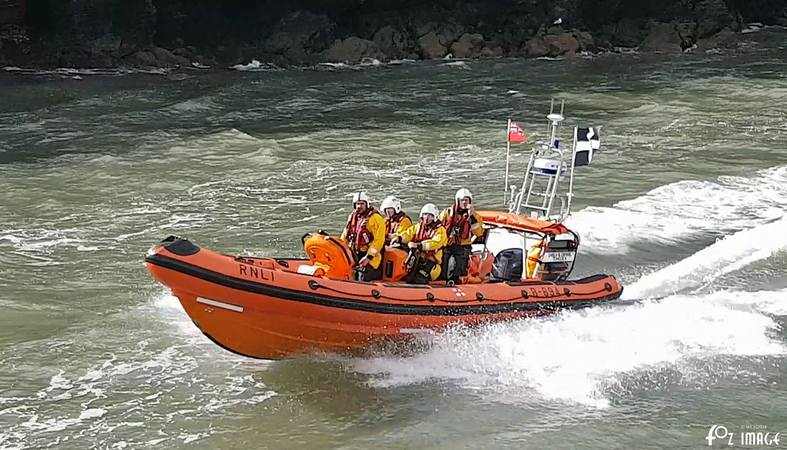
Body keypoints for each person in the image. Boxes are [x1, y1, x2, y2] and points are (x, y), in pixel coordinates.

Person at [391, 203, 447, 284]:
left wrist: (419, 245)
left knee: (419, 279)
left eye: (430, 215)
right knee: (406, 275)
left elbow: (436, 243)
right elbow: (408, 234)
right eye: (425, 215)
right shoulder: (418, 227)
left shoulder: (440, 230)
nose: (427, 218)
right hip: (417, 259)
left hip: (431, 263)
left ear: (435, 217)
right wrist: (399, 238)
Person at [439, 188, 484, 285]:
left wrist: (472, 217)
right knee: (444, 268)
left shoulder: (475, 216)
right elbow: (438, 228)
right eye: (462, 200)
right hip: (448, 244)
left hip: (463, 246)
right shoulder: (447, 212)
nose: (464, 202)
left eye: (466, 200)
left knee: (458, 269)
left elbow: (479, 233)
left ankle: (458, 282)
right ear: (457, 201)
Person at [340, 191, 386, 281]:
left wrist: (368, 257)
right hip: (355, 253)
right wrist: (341, 248)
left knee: (362, 278)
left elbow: (379, 241)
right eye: (357, 204)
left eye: (362, 204)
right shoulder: (352, 217)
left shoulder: (375, 219)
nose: (359, 206)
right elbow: (345, 235)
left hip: (372, 257)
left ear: (367, 204)